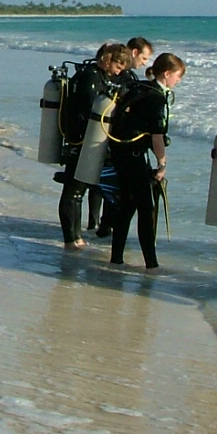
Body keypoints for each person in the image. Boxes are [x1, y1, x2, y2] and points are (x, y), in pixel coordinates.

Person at [107, 52, 185, 270]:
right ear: (167, 74)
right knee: (145, 208)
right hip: (134, 157)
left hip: (120, 152)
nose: (178, 81)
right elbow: (157, 135)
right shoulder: (156, 98)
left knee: (127, 206)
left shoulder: (138, 87)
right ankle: (151, 263)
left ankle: (117, 257)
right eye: (178, 76)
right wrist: (162, 164)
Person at [57, 44, 131, 248]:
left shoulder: (103, 77)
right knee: (74, 191)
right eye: (118, 64)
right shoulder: (89, 77)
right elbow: (88, 108)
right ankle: (71, 239)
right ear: (107, 59)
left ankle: (78, 236)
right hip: (80, 141)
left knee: (81, 190)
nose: (120, 70)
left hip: (92, 141)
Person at [94, 36, 155, 238]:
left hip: (103, 136)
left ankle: (97, 224)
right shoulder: (126, 77)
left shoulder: (117, 75)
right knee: (115, 188)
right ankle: (105, 228)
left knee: (99, 182)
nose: (144, 63)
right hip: (116, 141)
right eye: (144, 58)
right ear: (135, 53)